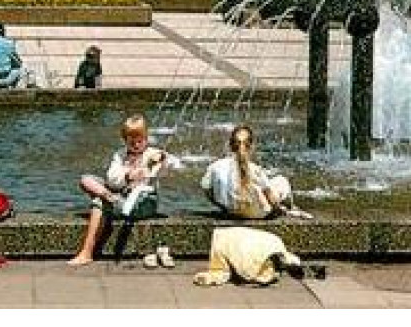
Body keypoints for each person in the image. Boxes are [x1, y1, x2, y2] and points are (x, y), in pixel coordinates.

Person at [69, 114, 181, 267]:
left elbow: (175, 165)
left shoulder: (151, 155)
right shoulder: (120, 155)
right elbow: (111, 179)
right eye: (131, 141)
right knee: (86, 179)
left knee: (98, 203)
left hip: (142, 202)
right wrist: (127, 175)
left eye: (139, 141)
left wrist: (164, 159)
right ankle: (106, 196)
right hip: (118, 194)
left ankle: (86, 252)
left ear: (146, 138)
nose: (136, 145)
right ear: (125, 140)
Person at [201, 125, 296, 219]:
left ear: (230, 145)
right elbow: (272, 199)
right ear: (251, 147)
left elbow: (206, 189)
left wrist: (223, 205)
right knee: (281, 181)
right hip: (258, 214)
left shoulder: (215, 166)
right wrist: (279, 210)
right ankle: (292, 208)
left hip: (231, 211)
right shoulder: (254, 169)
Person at [191, 227, 311, 287]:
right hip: (249, 257)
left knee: (223, 256)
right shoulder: (275, 241)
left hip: (241, 249)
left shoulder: (276, 241)